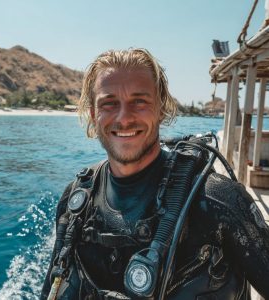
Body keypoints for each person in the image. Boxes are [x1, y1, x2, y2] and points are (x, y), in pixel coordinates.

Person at [41, 48, 269, 300]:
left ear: (160, 109)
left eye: (139, 101)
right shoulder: (75, 202)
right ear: (94, 114)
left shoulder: (220, 202)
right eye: (109, 103)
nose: (124, 117)